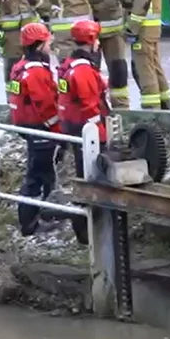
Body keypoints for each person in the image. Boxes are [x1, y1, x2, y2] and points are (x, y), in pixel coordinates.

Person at [57, 19, 110, 245]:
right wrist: (102, 137)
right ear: (91, 40)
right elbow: (91, 107)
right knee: (89, 179)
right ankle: (87, 231)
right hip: (87, 133)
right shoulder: (83, 71)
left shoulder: (69, 65)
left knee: (83, 176)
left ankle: (85, 228)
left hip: (73, 127)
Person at [7, 22, 62, 237]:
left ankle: (45, 215)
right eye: (48, 42)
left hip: (26, 125)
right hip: (40, 129)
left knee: (44, 173)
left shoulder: (19, 67)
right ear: (39, 46)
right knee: (38, 176)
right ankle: (31, 224)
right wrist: (58, 131)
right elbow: (46, 106)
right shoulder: (37, 72)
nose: (50, 46)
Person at [87, 0, 131, 108]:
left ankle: (121, 107)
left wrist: (128, 18)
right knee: (91, 72)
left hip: (114, 30)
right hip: (91, 33)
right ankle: (95, 107)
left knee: (118, 69)